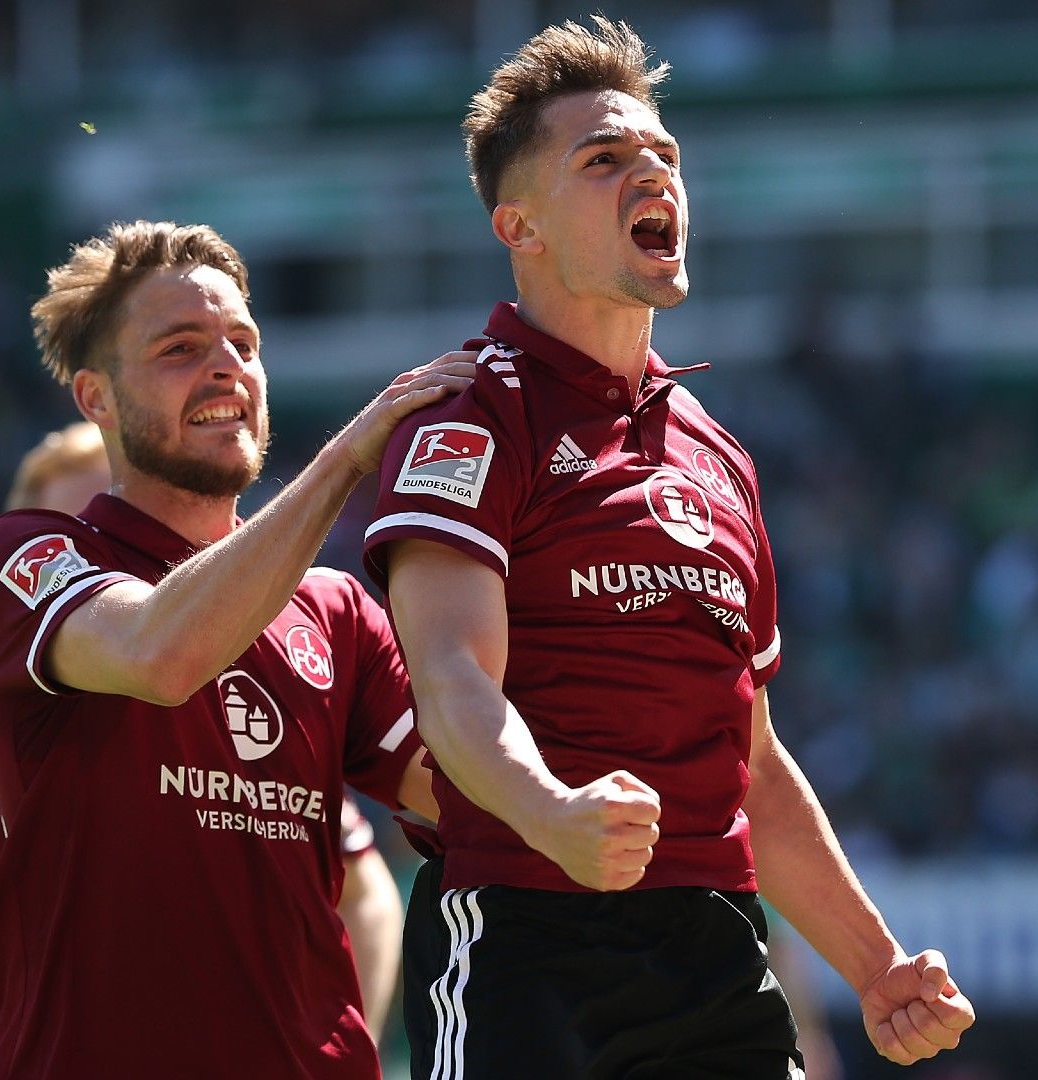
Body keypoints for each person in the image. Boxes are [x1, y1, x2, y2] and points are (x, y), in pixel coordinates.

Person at [363, 19, 974, 1077]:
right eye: (604, 159)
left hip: (716, 955)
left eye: (664, 157)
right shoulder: (466, 421)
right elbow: (452, 685)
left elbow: (754, 759)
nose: (653, 173)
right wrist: (553, 812)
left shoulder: (718, 455)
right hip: (526, 937)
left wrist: (875, 969)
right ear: (521, 224)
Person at [0, 220, 472, 1078]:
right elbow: (163, 653)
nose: (227, 363)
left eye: (243, 341)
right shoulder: (28, 554)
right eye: (180, 347)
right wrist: (348, 458)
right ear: (97, 399)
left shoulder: (338, 609)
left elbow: (469, 783)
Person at [0, 421, 411, 1041]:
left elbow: (365, 891)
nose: (99, 564)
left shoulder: (261, 699)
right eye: (69, 539)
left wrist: (354, 1044)